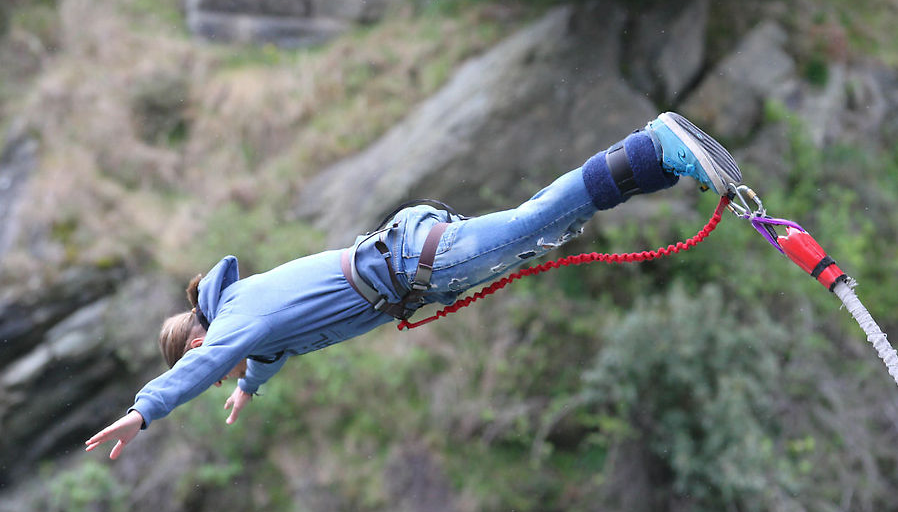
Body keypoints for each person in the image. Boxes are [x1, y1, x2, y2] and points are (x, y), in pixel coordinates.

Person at [85, 112, 741, 460]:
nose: (221, 371)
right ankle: (655, 167)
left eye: (211, 358)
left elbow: (214, 359)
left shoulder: (234, 320)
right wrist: (252, 385)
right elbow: (270, 346)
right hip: (414, 256)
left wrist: (146, 409)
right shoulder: (250, 309)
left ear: (200, 335)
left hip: (415, 265)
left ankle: (652, 146)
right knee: (542, 227)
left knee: (535, 223)